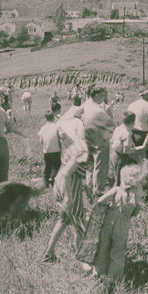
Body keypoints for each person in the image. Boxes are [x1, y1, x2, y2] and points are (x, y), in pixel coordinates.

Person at [44, 105, 88, 263]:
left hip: (59, 182)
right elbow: (71, 173)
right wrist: (69, 197)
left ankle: (49, 254)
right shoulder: (82, 149)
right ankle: (82, 259)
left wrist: (87, 189)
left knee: (64, 219)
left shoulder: (73, 145)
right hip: (69, 185)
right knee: (80, 222)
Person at [93, 165, 142, 280]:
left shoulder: (116, 190)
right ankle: (113, 277)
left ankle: (99, 272)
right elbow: (135, 213)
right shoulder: (135, 197)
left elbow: (100, 201)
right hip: (122, 225)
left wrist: (109, 207)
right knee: (118, 251)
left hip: (109, 222)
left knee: (103, 247)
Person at [82, 85, 115, 199]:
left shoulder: (86, 105)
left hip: (88, 137)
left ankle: (89, 184)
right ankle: (98, 190)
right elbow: (111, 123)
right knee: (101, 165)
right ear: (96, 95)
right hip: (100, 139)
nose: (103, 98)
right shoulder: (98, 110)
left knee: (90, 165)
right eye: (102, 96)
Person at [110, 111, 139, 187]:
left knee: (116, 176)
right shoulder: (127, 134)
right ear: (133, 122)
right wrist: (135, 150)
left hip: (114, 154)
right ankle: (116, 195)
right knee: (120, 180)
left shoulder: (118, 128)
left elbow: (111, 141)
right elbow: (126, 151)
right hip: (121, 157)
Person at [38, 111, 61, 188]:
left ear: (45, 119)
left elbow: (41, 140)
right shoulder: (57, 126)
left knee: (48, 167)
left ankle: (46, 182)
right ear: (53, 117)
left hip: (46, 151)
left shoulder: (42, 128)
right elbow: (60, 137)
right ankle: (53, 179)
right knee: (57, 166)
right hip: (56, 150)